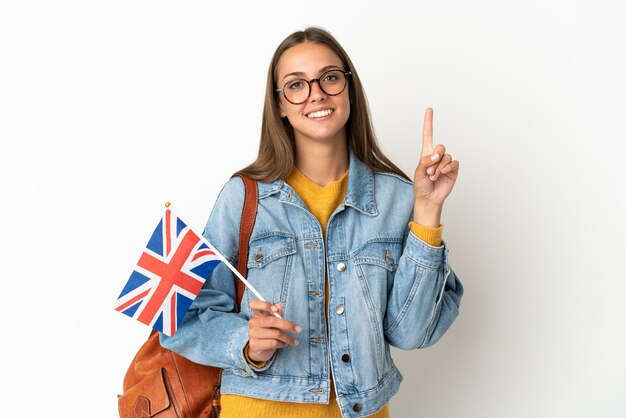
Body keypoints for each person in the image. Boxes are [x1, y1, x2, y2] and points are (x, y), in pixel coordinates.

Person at [161, 26, 463, 418]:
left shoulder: (399, 197)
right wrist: (245, 342)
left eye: (330, 78)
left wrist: (427, 210)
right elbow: (179, 315)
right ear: (280, 106)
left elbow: (412, 333)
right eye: (296, 85)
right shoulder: (244, 197)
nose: (316, 92)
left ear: (349, 90)